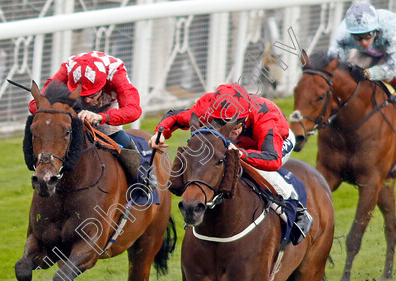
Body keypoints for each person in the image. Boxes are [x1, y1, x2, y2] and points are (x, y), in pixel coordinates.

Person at [150, 82, 313, 244]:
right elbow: (175, 117)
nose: (225, 128)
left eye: (231, 124)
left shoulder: (265, 118)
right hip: (237, 143)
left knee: (254, 169)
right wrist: (160, 133)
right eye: (219, 123)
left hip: (276, 143)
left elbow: (272, 159)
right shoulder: (207, 106)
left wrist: (241, 154)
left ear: (243, 118)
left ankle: (297, 209)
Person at [28, 51, 145, 186]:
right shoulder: (67, 69)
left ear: (103, 84)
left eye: (92, 95)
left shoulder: (116, 73)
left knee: (115, 135)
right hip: (73, 106)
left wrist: (101, 117)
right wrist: (65, 112)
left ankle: (144, 176)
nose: (88, 101)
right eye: (83, 96)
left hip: (106, 106)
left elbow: (134, 110)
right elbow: (34, 106)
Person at [327, 2, 396, 84]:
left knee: (387, 80)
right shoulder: (343, 33)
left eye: (367, 35)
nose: (364, 42)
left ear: (376, 30)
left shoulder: (390, 30)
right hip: (367, 53)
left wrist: (368, 73)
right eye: (357, 37)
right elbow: (333, 64)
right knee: (352, 74)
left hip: (392, 50)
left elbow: (392, 67)